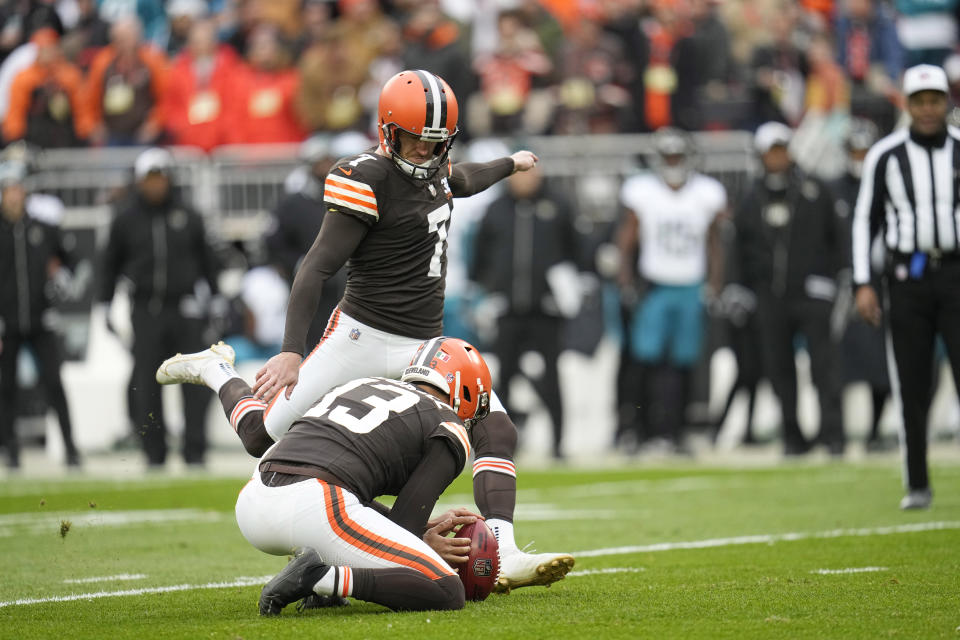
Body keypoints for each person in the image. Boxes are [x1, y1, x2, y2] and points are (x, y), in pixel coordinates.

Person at [251, 69, 574, 592]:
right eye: (416, 142)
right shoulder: (367, 178)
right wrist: (292, 351)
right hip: (359, 336)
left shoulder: (440, 170)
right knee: (263, 436)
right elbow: (315, 267)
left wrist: (511, 163)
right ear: (387, 131)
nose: (426, 154)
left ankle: (505, 549)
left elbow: (463, 179)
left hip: (424, 347)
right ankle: (215, 370)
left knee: (494, 427)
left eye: (436, 144)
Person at [156, 336, 493, 613]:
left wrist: (424, 528)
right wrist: (425, 541)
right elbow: (404, 524)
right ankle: (323, 577)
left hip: (255, 496)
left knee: (346, 501)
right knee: (446, 590)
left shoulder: (362, 384)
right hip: (315, 504)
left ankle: (321, 577)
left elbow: (350, 486)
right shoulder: (448, 424)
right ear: (464, 391)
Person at [852, 64, 960, 509]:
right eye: (920, 101)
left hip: (956, 274)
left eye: (935, 100)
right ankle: (917, 483)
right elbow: (865, 220)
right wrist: (863, 281)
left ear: (946, 102)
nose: (928, 109)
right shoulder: (885, 155)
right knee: (912, 384)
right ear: (908, 105)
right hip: (907, 280)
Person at [98, 147, 221, 467]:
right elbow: (108, 265)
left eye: (160, 177)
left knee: (195, 383)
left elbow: (208, 261)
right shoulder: (125, 219)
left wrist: (217, 298)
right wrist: (104, 305)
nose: (155, 185)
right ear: (139, 181)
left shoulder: (189, 215)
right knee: (147, 384)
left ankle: (195, 451)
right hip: (145, 309)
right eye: (150, 178)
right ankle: (154, 454)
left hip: (185, 308)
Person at [734, 122, 847, 456]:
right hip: (770, 295)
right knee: (779, 369)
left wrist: (839, 276)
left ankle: (832, 435)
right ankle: (792, 436)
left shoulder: (815, 190)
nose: (778, 157)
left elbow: (838, 237)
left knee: (823, 366)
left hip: (813, 291)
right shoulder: (750, 198)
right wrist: (740, 287)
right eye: (771, 151)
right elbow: (739, 247)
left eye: (782, 149)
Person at [617, 128, 728, 453]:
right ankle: (642, 430)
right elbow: (627, 240)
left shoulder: (706, 193)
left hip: (691, 286)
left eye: (677, 156)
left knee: (684, 364)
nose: (673, 162)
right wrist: (625, 281)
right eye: (668, 156)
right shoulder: (643, 191)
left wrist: (715, 284)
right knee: (645, 360)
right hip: (656, 285)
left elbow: (715, 242)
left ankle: (677, 432)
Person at [469, 161, 581, 459]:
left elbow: (576, 251)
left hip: (546, 309)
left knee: (551, 376)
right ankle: (502, 445)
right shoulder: (496, 209)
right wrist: (483, 289)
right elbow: (480, 255)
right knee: (503, 377)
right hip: (507, 309)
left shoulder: (557, 205)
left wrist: (567, 288)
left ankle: (558, 445)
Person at [0, 161, 80, 469]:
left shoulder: (43, 229)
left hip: (41, 318)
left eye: (17, 189)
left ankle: (71, 448)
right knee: (7, 389)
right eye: (8, 190)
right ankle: (11, 451)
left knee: (55, 385)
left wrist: (60, 284)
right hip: (7, 322)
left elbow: (70, 264)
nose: (13, 196)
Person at [833, 118, 893, 451]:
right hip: (844, 284)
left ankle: (874, 430)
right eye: (854, 150)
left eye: (864, 151)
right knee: (838, 361)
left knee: (880, 362)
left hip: (882, 282)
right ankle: (835, 433)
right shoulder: (832, 189)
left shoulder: (889, 185)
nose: (858, 156)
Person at [85, 15, 167, 146]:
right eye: (119, 39)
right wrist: (93, 125)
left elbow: (166, 98)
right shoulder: (103, 62)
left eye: (127, 38)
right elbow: (90, 98)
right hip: (111, 134)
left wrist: (155, 123)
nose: (123, 43)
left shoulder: (152, 60)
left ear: (138, 37)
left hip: (144, 135)